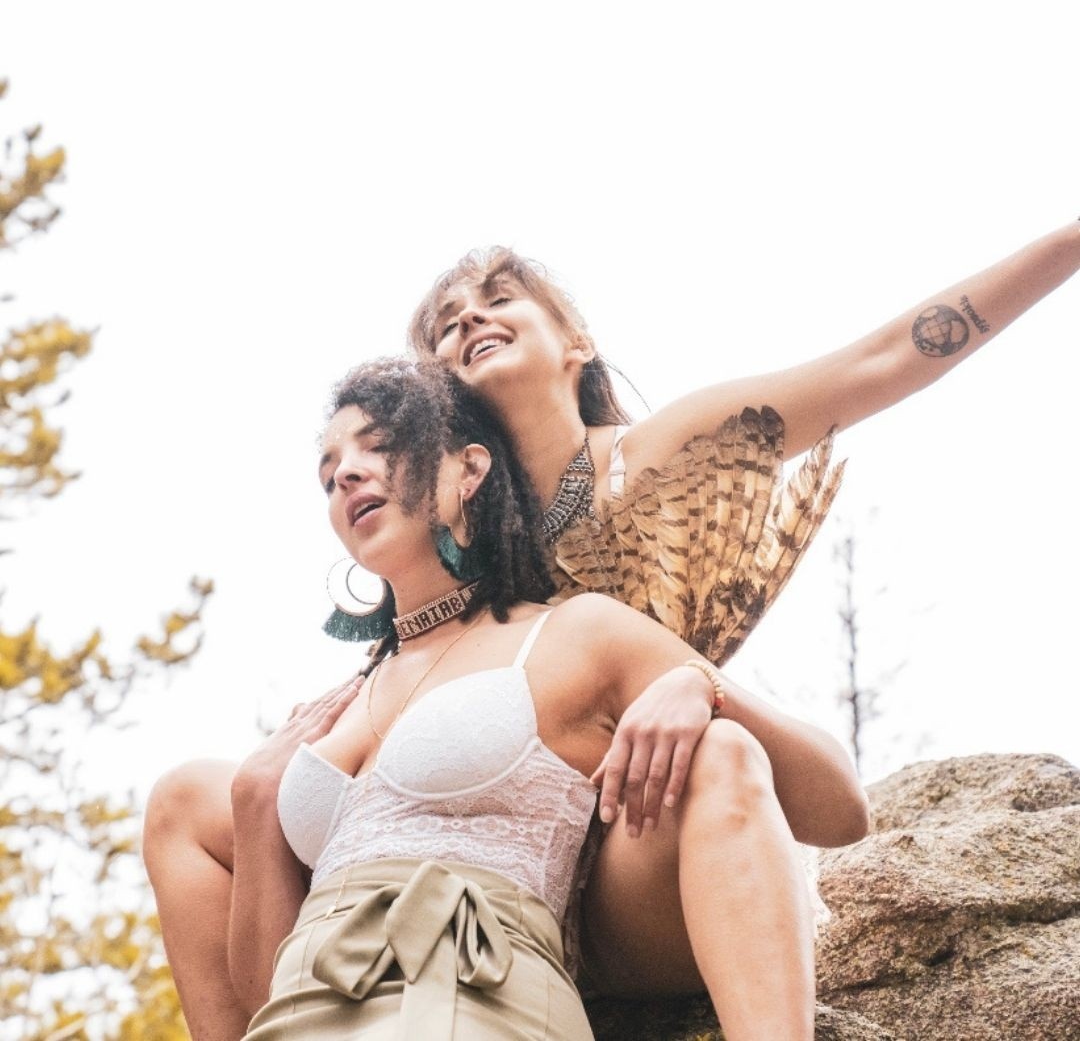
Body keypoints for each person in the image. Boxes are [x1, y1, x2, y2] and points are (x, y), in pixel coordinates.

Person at [400, 217, 1080, 995]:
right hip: (488, 876)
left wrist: (1071, 243)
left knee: (721, 752)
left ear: (575, 343)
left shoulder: (651, 459)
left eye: (497, 299)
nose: (470, 318)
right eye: (447, 324)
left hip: (642, 852)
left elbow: (882, 359)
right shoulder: (441, 535)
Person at [155, 358, 865, 1040]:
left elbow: (840, 806)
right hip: (312, 1015)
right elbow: (268, 998)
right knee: (181, 794)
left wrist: (702, 686)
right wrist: (256, 799)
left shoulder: (572, 634)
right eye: (328, 471)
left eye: (380, 446)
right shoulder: (337, 708)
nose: (344, 473)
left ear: (468, 470)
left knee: (724, 746)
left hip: (483, 1000)